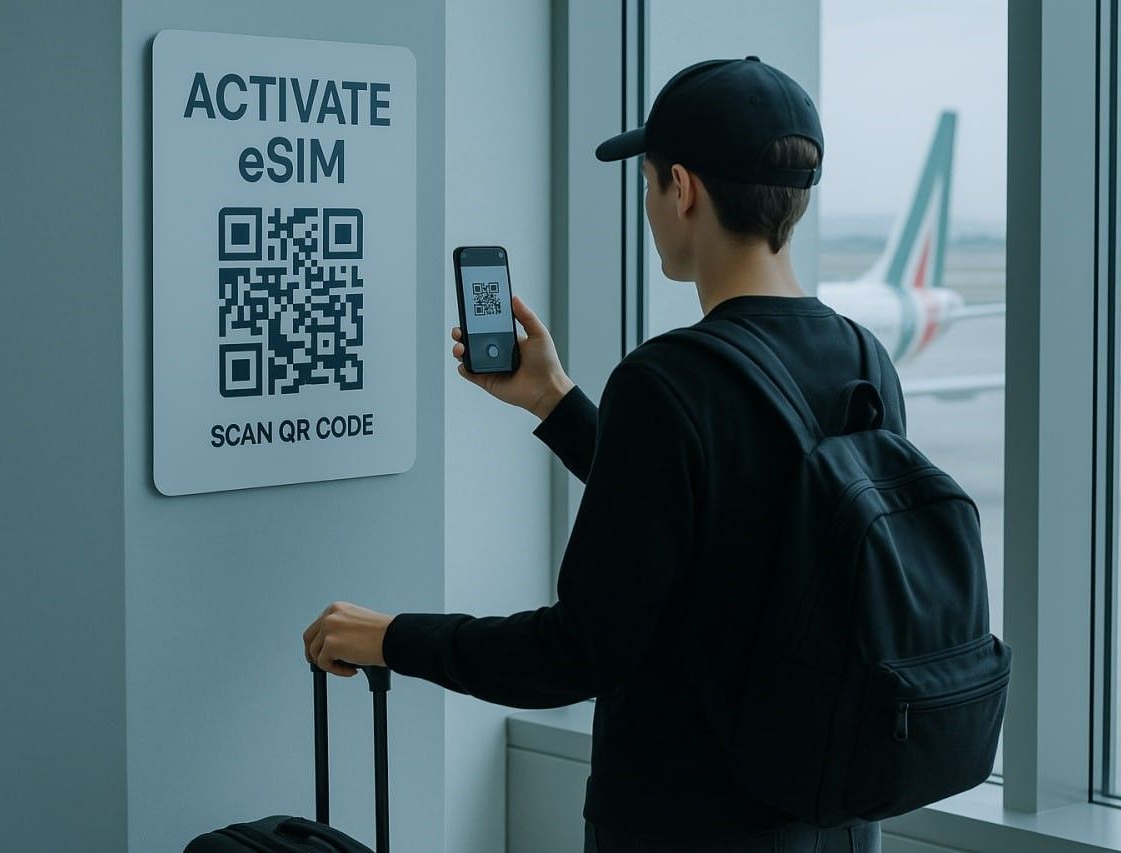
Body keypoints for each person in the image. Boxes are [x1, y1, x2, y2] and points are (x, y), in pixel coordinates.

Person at [302, 56, 901, 852]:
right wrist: (554, 400)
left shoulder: (668, 380)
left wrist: (389, 636)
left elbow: (575, 651)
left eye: (648, 183)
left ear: (681, 189)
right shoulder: (865, 361)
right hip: (836, 819)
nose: (650, 205)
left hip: (685, 827)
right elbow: (730, 522)